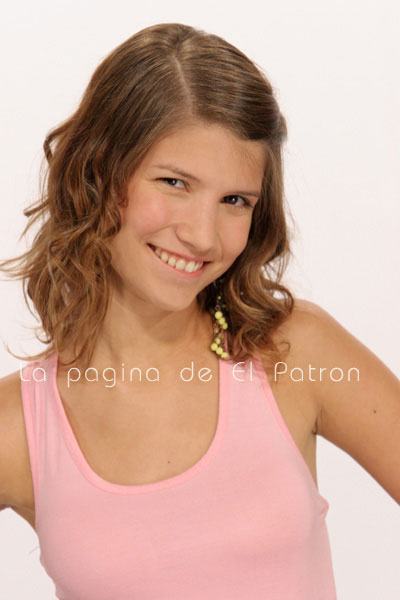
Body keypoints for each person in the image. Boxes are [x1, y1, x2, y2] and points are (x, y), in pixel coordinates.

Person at [0, 22, 398, 600]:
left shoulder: (292, 352)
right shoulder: (18, 427)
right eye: (174, 182)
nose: (203, 235)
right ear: (96, 172)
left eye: (235, 200)